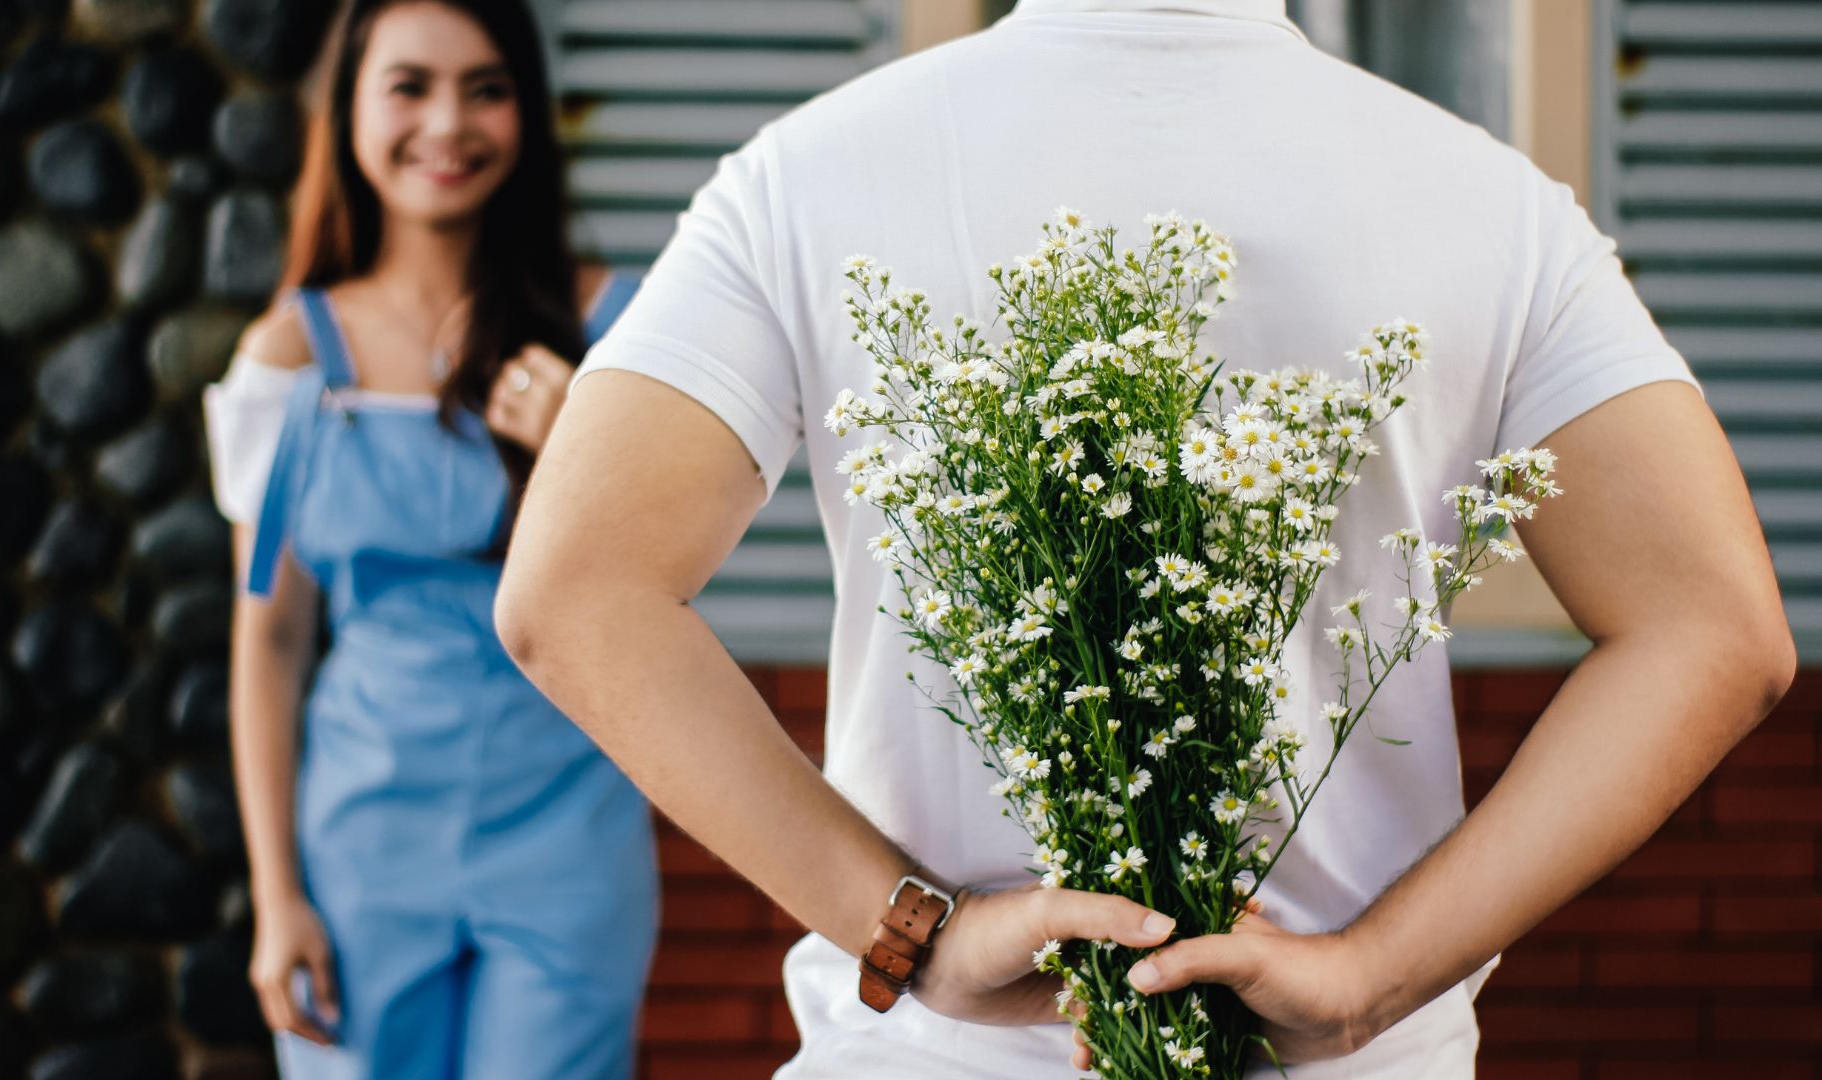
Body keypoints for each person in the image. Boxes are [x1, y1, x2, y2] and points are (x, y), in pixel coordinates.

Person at [491, 0, 1796, 1077]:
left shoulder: (807, 173)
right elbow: (1719, 631)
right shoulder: (1495, 205)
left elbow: (572, 593)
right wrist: (1365, 980)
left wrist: (913, 938)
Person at [202, 1, 654, 1076]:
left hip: (572, 827)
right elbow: (267, 645)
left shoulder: (619, 333)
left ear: (527, 115)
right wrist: (276, 896)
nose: (447, 123)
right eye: (409, 85)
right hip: (362, 837)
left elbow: (666, 592)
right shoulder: (288, 357)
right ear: (349, 108)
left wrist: (576, 451)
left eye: (486, 87)